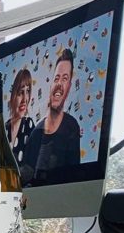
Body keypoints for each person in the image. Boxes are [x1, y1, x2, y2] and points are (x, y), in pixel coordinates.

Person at [24, 49, 81, 181]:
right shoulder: (35, 133)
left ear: (69, 87)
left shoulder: (71, 127)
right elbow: (25, 182)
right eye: (56, 78)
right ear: (51, 85)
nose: (59, 84)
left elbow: (74, 180)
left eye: (65, 79)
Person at [5, 68, 35, 184]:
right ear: (13, 95)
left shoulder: (29, 125)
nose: (25, 99)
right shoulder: (3, 129)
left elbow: (30, 170)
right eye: (21, 92)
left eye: (28, 91)